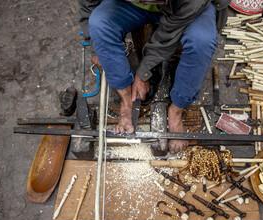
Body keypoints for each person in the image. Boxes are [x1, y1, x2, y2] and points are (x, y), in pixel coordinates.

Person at [78, 0, 230, 152]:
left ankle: (176, 110)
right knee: (99, 24)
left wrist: (144, 72)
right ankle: (126, 100)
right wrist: (95, 43)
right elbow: (88, 4)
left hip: (187, 7)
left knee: (201, 41)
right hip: (132, 6)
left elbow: (168, 34)